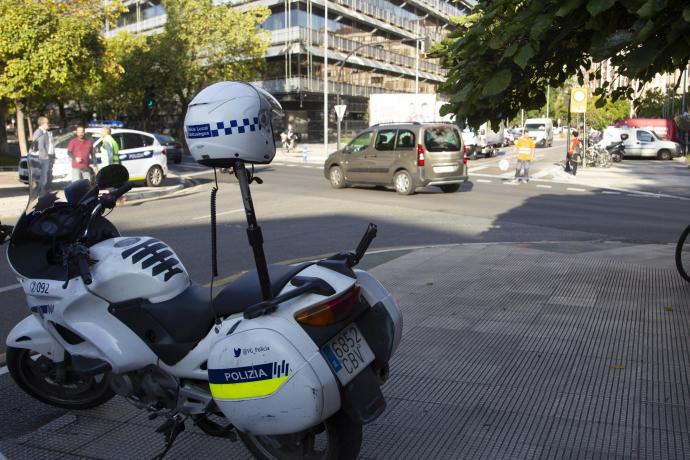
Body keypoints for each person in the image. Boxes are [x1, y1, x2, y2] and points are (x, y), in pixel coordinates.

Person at [32, 116, 53, 195]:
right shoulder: (39, 132)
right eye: (47, 123)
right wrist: (46, 156)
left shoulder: (44, 132)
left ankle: (43, 192)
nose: (48, 124)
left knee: (45, 176)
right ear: (42, 123)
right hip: (42, 158)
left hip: (45, 157)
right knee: (43, 177)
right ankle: (41, 194)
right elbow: (40, 146)